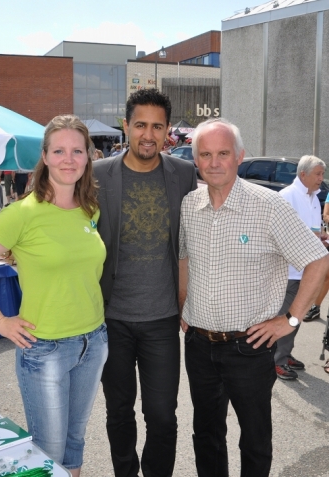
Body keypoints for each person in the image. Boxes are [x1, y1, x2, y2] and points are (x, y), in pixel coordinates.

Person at [0, 115, 108, 477]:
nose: (68, 159)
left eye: (76, 150)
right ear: (45, 156)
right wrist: (0, 322)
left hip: (94, 340)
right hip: (46, 348)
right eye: (59, 150)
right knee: (48, 452)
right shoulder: (22, 213)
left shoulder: (90, 209)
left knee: (74, 443)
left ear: (88, 157)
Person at [178, 118, 329, 477]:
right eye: (206, 154)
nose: (214, 162)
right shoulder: (188, 205)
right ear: (196, 160)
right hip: (199, 345)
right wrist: (182, 304)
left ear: (239, 156)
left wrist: (290, 319)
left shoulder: (269, 206)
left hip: (249, 347)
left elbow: (318, 261)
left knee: (255, 438)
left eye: (223, 153)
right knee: (207, 435)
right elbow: (184, 257)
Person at [93, 88, 197, 477]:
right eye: (140, 125)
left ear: (168, 131)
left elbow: (192, 240)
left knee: (163, 417)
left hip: (163, 320)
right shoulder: (99, 175)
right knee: (118, 412)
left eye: (157, 126)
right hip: (111, 319)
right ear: (126, 126)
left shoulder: (184, 174)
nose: (148, 135)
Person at [275, 155, 327, 380]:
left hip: (307, 271)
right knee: (284, 317)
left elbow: (312, 230)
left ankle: (285, 355)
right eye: (318, 174)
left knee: (297, 317)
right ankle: (276, 360)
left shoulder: (314, 198)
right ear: (303, 174)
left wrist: (321, 238)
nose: (321, 179)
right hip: (288, 272)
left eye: (322, 174)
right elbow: (279, 234)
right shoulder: (287, 196)